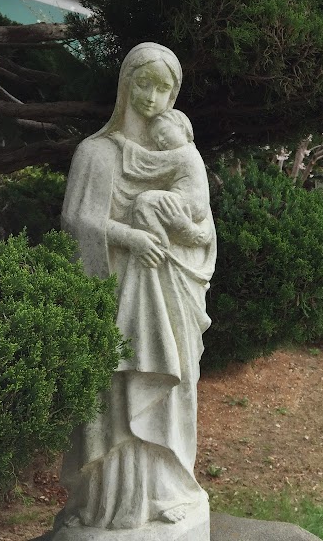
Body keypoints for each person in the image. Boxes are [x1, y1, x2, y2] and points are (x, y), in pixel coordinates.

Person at [57, 43, 216, 534]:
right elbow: (76, 221)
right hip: (113, 294)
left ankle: (166, 490)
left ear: (175, 93)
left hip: (168, 296)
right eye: (142, 84)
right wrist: (128, 236)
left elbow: (203, 231)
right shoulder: (96, 153)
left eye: (163, 87)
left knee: (167, 388)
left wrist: (170, 234)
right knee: (115, 391)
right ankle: (108, 502)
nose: (151, 96)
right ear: (125, 86)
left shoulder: (183, 156)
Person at [109, 108, 212, 250]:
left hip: (187, 204)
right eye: (156, 138)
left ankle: (159, 244)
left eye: (163, 133)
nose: (161, 140)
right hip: (194, 207)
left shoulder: (185, 154)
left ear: (181, 128)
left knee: (144, 202)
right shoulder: (192, 152)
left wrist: (123, 143)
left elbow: (148, 161)